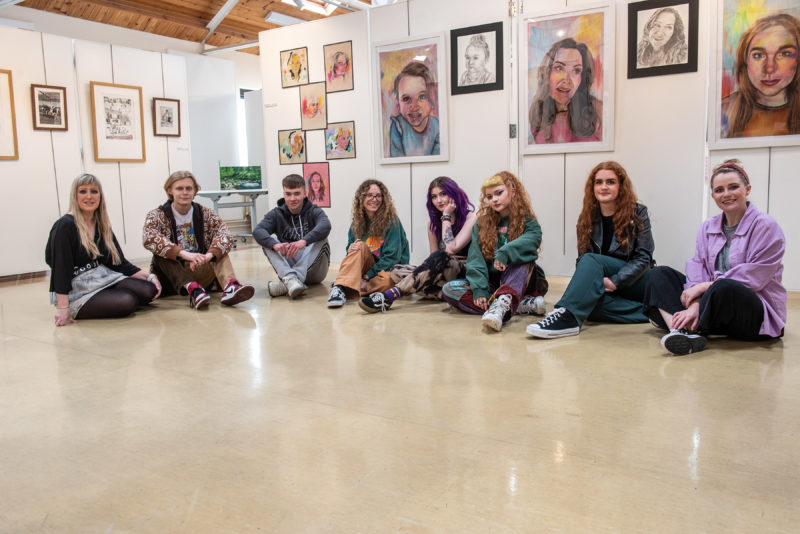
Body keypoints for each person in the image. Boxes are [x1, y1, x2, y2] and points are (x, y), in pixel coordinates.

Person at [642, 160, 786, 356]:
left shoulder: (766, 225)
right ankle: (680, 332)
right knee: (658, 274)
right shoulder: (707, 226)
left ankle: (687, 325)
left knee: (724, 286)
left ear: (748, 189)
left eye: (733, 187)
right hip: (713, 304)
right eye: (719, 190)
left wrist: (702, 289)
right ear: (713, 196)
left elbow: (753, 279)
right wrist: (694, 303)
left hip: (752, 313)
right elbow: (697, 266)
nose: (726, 194)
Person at [527, 161, 654, 339]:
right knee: (588, 306)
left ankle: (566, 316)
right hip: (604, 283)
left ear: (621, 186)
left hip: (636, 280)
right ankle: (651, 313)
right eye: (598, 182)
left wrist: (616, 281)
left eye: (610, 182)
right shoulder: (586, 218)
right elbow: (581, 261)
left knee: (591, 261)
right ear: (592, 187)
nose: (604, 187)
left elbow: (644, 257)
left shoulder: (638, 213)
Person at [46, 174, 160, 326]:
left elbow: (118, 262)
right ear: (74, 196)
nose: (89, 196)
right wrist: (62, 307)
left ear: (100, 196)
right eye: (83, 191)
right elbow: (60, 268)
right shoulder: (65, 225)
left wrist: (149, 276)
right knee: (127, 301)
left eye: (94, 191)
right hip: (77, 286)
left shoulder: (101, 223)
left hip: (102, 276)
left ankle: (105, 299)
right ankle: (83, 305)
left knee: (148, 290)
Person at [442, 171, 548, 332]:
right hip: (493, 283)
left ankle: (502, 305)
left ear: (512, 191)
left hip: (523, 280)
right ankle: (516, 305)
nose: (494, 199)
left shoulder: (528, 221)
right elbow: (475, 259)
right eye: (489, 197)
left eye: (499, 193)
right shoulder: (482, 223)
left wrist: (506, 252)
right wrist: (479, 290)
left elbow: (532, 240)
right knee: (449, 289)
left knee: (523, 261)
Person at [359, 176, 478, 313]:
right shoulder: (433, 223)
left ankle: (388, 296)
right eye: (434, 196)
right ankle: (442, 294)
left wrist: (446, 216)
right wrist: (423, 272)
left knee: (441, 255)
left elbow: (451, 248)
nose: (439, 200)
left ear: (454, 194)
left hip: (463, 271)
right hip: (443, 274)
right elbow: (432, 255)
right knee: (396, 270)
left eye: (443, 194)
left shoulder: (471, 218)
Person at [142, 170, 254, 309]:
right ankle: (193, 289)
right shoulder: (157, 215)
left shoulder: (206, 213)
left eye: (189, 188)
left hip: (198, 267)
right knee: (162, 254)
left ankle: (231, 287)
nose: (185, 192)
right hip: (171, 275)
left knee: (219, 250)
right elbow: (149, 238)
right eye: (179, 188)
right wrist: (184, 254)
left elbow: (225, 234)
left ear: (195, 190)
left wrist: (208, 256)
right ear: (169, 190)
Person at [328, 179, 409, 307]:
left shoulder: (392, 221)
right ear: (361, 198)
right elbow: (352, 254)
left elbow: (393, 258)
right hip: (367, 271)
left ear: (384, 199)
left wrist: (367, 276)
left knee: (388, 282)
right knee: (358, 245)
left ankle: (348, 285)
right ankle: (340, 287)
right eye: (369, 195)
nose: (374, 199)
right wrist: (350, 250)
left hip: (388, 270)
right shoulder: (357, 222)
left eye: (378, 196)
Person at [721, 13, 800, 138]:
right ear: (745, 60)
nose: (769, 68)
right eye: (758, 55)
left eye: (784, 54)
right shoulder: (723, 111)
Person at [253, 173, 331, 299]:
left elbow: (325, 225)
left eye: (297, 193)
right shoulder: (276, 214)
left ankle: (291, 281)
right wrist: (276, 245)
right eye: (288, 194)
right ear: (283, 194)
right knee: (269, 241)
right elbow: (258, 231)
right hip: (290, 264)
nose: (292, 198)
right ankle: (291, 280)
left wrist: (304, 241)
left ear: (305, 193)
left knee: (321, 237)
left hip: (315, 270)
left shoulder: (314, 211)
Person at [529, 38, 602, 144]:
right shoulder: (539, 110)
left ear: (582, 78)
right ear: (548, 72)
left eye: (576, 71)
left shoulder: (597, 112)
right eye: (559, 68)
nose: (566, 79)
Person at [390, 61, 440, 157]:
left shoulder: (436, 127)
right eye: (406, 99)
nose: (414, 106)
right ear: (398, 103)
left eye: (422, 97)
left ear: (432, 99)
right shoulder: (398, 127)